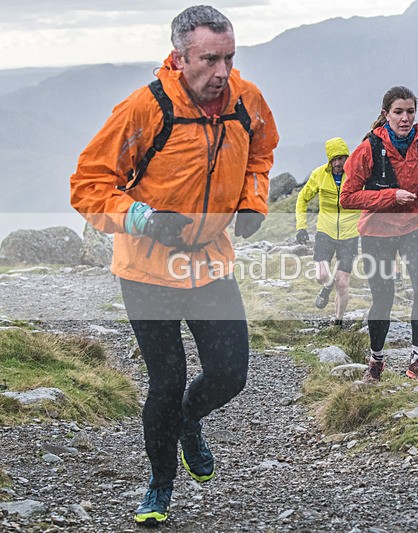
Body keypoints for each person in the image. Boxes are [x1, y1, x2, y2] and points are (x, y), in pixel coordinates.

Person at [70, 5, 279, 526]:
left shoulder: (245, 100)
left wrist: (253, 201)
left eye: (229, 57)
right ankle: (160, 484)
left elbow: (261, 152)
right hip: (145, 269)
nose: (223, 72)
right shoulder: (144, 109)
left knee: (230, 374)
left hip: (209, 263)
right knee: (166, 381)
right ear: (180, 57)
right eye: (210, 59)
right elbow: (88, 186)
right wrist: (140, 217)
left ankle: (190, 421)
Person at [340, 86, 418, 383]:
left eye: (410, 112)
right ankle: (376, 362)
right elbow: (348, 197)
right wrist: (390, 196)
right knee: (383, 297)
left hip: (417, 224)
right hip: (377, 231)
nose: (405, 118)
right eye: (398, 112)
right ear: (385, 114)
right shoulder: (368, 149)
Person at [295, 137, 360, 326]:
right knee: (321, 276)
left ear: (348, 157)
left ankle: (338, 321)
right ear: (329, 160)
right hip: (325, 231)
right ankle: (326, 286)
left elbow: (368, 198)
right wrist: (301, 226)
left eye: (342, 158)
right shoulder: (319, 174)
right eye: (335, 159)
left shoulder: (357, 175)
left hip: (350, 233)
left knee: (342, 281)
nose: (339, 163)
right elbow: (302, 198)